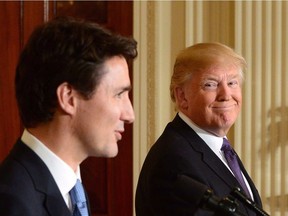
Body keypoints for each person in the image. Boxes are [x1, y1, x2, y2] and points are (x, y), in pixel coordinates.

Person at [0, 16, 137, 216]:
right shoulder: (13, 203)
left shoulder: (71, 187)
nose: (129, 115)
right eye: (118, 94)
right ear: (69, 98)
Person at [135, 42, 262, 216]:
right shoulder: (175, 160)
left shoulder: (218, 148)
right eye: (210, 84)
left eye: (232, 83)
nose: (226, 95)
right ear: (182, 96)